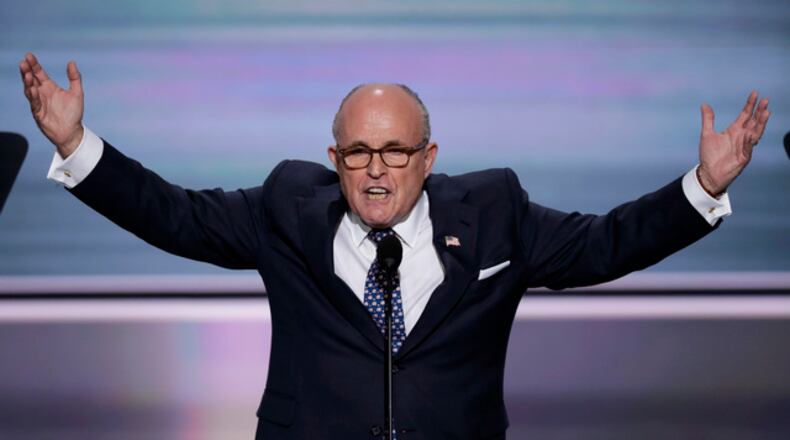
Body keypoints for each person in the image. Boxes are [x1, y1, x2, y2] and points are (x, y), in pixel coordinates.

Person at [19, 52, 770, 439]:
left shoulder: (496, 216)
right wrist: (78, 144)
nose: (376, 169)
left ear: (429, 156)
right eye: (357, 153)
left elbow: (607, 244)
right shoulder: (288, 208)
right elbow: (173, 215)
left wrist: (701, 186)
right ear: (334, 155)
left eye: (395, 151)